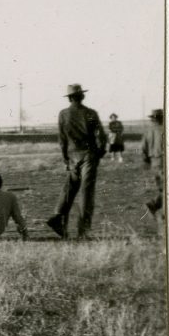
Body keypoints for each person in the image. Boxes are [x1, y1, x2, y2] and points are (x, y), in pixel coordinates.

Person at [45, 84, 108, 239]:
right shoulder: (91, 113)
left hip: (72, 155)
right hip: (88, 155)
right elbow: (101, 136)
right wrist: (99, 153)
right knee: (86, 192)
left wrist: (65, 158)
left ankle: (58, 216)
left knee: (71, 186)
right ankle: (83, 231)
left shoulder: (63, 114)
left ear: (70, 98)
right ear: (82, 96)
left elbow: (62, 139)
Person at [142, 108, 165, 230]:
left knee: (163, 188)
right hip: (163, 160)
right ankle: (155, 206)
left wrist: (147, 162)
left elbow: (143, 149)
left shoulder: (148, 131)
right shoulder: (164, 129)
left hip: (154, 162)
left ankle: (155, 206)